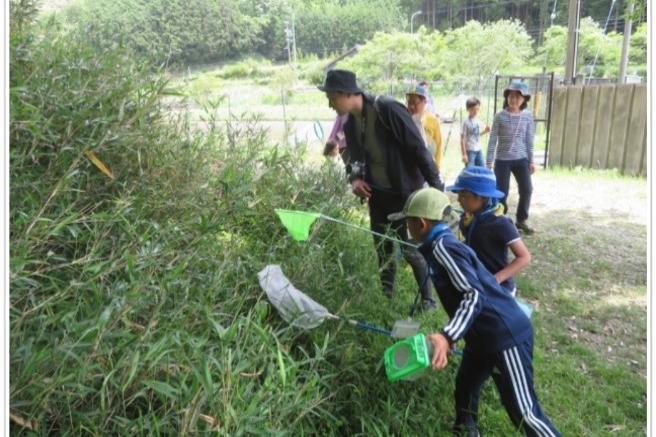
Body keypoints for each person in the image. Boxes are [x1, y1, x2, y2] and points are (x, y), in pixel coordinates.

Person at [388, 187, 561, 437]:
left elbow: (474, 294)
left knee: (525, 413)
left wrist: (447, 336)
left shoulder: (443, 248)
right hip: (481, 335)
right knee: (466, 387)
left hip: (504, 335)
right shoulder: (439, 243)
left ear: (421, 223)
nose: (407, 227)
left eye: (408, 222)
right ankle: (466, 431)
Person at [318, 69, 443, 310]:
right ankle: (387, 298)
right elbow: (352, 159)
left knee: (410, 248)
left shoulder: (387, 109)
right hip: (378, 196)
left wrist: (436, 192)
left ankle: (428, 300)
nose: (330, 104)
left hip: (406, 194)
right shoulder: (351, 121)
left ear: (345, 93)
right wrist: (354, 180)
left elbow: (419, 150)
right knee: (382, 248)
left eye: (331, 97)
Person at [447, 166, 531, 297]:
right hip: (477, 284)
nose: (458, 200)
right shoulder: (468, 218)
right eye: (458, 195)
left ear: (482, 197)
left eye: (464, 195)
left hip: (500, 290)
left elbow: (524, 257)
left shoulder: (500, 223)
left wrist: (495, 279)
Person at [486, 81, 536, 234]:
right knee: (502, 191)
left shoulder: (527, 117)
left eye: (517, 97)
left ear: (524, 100)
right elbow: (493, 138)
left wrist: (531, 160)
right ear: (507, 97)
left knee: (527, 189)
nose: (513, 99)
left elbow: (529, 139)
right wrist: (489, 161)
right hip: (502, 160)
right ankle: (500, 220)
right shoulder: (499, 116)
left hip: (521, 159)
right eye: (511, 96)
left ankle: (521, 220)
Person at [406, 84, 443, 172]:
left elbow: (438, 145)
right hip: (410, 168)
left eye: (415, 103)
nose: (411, 106)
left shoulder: (432, 121)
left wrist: (437, 166)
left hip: (428, 166)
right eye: (409, 103)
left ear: (424, 102)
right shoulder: (405, 119)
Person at [460, 97, 490, 168]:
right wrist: (464, 154)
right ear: (468, 109)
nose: (475, 111)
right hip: (469, 151)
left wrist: (485, 131)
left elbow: (476, 135)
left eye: (477, 109)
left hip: (478, 149)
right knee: (470, 171)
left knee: (482, 168)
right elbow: (462, 139)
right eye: (473, 109)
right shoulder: (465, 122)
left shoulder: (477, 120)